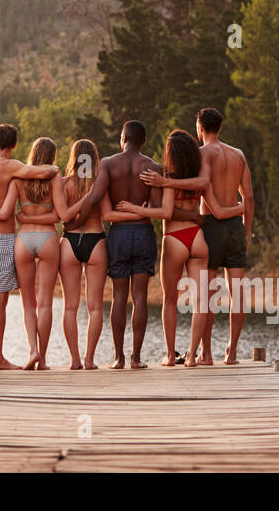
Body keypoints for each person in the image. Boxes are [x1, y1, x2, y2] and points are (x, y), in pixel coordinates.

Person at [73, 121, 202, 370]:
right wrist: (139, 213)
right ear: (143, 141)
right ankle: (136, 358)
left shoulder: (108, 164)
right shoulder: (152, 167)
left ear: (123, 138)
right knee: (140, 297)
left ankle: (119, 358)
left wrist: (75, 220)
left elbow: (96, 197)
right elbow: (156, 210)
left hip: (119, 235)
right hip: (143, 234)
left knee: (119, 297)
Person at [142, 108, 254, 363]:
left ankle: (206, 353)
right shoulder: (238, 155)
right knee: (236, 294)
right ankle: (232, 351)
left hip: (211, 227)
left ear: (200, 128)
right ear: (220, 127)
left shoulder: (201, 155)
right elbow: (249, 197)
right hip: (235, 227)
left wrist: (165, 183)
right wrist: (245, 229)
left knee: (207, 295)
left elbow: (209, 201)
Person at [0, 123, 59, 370]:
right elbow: (44, 172)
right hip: (0, 240)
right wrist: (55, 166)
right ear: (15, 144)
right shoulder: (10, 166)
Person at [58, 139, 109, 369]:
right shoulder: (100, 183)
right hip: (95, 240)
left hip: (69, 243)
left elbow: (62, 217)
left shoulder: (65, 183)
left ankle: (74, 360)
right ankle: (89, 359)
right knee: (95, 306)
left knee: (70, 306)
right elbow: (108, 213)